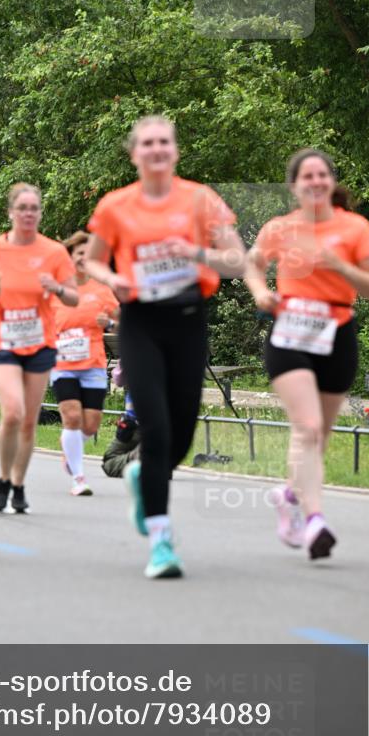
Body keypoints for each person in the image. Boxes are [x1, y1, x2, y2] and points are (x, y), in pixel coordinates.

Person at [86, 115, 245, 578]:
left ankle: (141, 473)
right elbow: (93, 261)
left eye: (164, 142)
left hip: (188, 321)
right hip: (141, 324)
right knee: (155, 429)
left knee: (180, 437)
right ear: (134, 154)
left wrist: (195, 253)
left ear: (174, 151)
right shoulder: (116, 206)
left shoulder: (200, 199)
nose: (156, 149)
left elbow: (237, 260)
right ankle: (161, 541)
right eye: (147, 143)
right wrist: (113, 278)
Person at [245, 148, 369, 560]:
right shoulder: (279, 228)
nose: (316, 182)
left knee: (319, 435)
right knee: (307, 428)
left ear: (331, 181)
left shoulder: (355, 228)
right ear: (294, 186)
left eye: (322, 174)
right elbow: (252, 264)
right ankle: (316, 522)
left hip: (337, 333)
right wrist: (261, 293)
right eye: (307, 176)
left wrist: (342, 267)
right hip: (290, 333)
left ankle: (289, 495)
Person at [0, 183, 78, 514]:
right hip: (2, 341)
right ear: (10, 212)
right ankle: (2, 479)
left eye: (34, 208)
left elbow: (73, 297)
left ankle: (18, 484)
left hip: (39, 343)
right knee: (13, 412)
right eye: (22, 208)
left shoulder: (53, 252)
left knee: (28, 421)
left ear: (40, 213)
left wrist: (57, 288)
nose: (28, 213)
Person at [52, 230, 119, 495]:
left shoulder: (101, 291)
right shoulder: (56, 291)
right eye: (79, 253)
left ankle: (70, 446)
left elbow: (125, 324)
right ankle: (79, 479)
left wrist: (110, 323)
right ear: (69, 258)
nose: (83, 258)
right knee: (71, 417)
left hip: (92, 365)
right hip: (63, 365)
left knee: (90, 424)